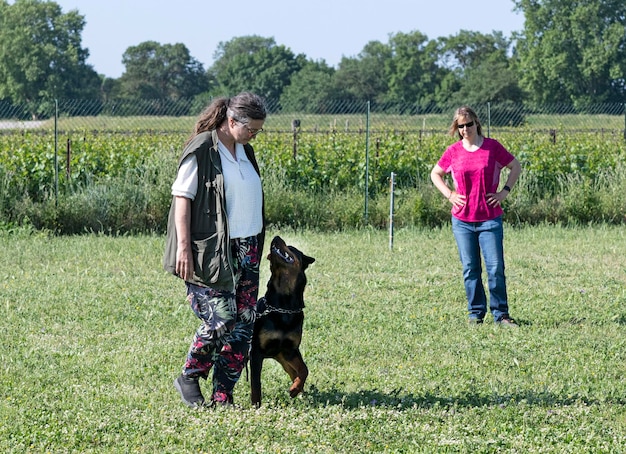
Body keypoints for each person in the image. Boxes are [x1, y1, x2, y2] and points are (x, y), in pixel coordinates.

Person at [163, 92, 267, 407]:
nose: (254, 136)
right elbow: (182, 199)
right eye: (251, 129)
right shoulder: (202, 150)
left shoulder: (245, 151)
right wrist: (183, 249)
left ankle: (223, 395)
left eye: (258, 131)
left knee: (244, 324)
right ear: (231, 120)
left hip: (248, 248)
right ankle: (190, 376)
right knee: (220, 319)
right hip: (210, 251)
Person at [430, 106, 522, 327]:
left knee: (495, 267)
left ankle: (501, 314)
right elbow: (435, 173)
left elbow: (515, 166)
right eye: (460, 126)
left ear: (476, 123)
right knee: (470, 268)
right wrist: (450, 194)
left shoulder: (492, 147)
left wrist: (504, 193)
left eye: (468, 124)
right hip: (462, 220)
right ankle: (475, 314)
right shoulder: (453, 151)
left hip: (490, 219)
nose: (465, 129)